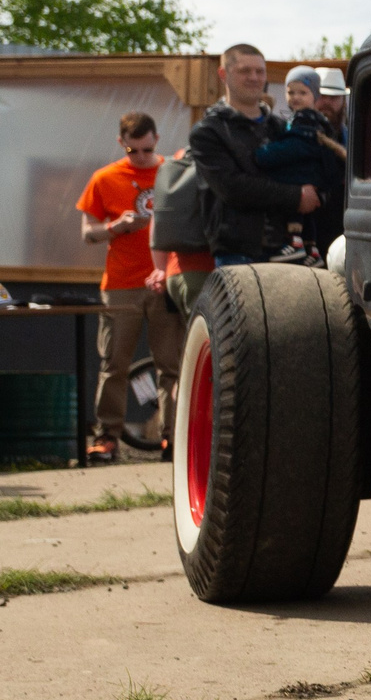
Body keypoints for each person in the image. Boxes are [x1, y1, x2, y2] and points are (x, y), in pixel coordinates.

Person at [74, 112, 183, 461]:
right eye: (134, 151)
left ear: (157, 139)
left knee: (172, 365)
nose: (141, 157)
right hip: (121, 284)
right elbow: (87, 233)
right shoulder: (105, 178)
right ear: (121, 144)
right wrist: (116, 227)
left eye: (147, 149)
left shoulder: (172, 172)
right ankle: (107, 437)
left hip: (164, 279)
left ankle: (173, 436)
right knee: (114, 364)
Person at [190, 44, 317, 268]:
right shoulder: (208, 132)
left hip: (287, 250)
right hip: (237, 254)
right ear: (223, 75)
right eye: (245, 71)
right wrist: (296, 195)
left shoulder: (280, 128)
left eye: (260, 71)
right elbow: (232, 188)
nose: (254, 77)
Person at [255, 65, 347, 258]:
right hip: (302, 213)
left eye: (334, 97)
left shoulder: (352, 137)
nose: (327, 103)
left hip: (337, 226)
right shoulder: (291, 126)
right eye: (323, 96)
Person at [147, 142, 217, 320]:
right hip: (205, 272)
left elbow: (159, 216)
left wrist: (160, 268)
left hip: (176, 273)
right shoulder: (216, 157)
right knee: (209, 342)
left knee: (194, 340)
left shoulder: (181, 157)